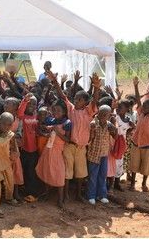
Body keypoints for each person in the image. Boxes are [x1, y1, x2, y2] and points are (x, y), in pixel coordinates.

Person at [49, 71, 100, 202]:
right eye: (76, 98)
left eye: (80, 99)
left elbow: (94, 101)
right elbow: (62, 95)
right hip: (69, 146)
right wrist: (55, 81)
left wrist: (97, 88)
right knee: (67, 172)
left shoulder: (88, 112)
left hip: (81, 147)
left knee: (81, 173)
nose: (76, 101)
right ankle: (65, 195)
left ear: (85, 102)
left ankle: (78, 195)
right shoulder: (71, 109)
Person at [35, 100, 71, 208]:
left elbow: (67, 139)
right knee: (46, 170)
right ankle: (47, 193)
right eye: (54, 110)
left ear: (64, 111)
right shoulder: (51, 120)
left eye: (59, 110)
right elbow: (41, 124)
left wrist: (57, 131)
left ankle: (60, 199)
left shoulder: (67, 123)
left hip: (58, 151)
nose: (56, 112)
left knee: (59, 173)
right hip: (48, 150)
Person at [87, 105, 117, 205]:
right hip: (94, 154)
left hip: (104, 154)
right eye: (102, 114)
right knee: (93, 176)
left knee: (102, 176)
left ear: (109, 116)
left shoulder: (109, 125)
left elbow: (115, 136)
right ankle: (91, 196)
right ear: (98, 114)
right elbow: (89, 139)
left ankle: (102, 195)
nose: (103, 116)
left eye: (106, 115)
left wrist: (114, 128)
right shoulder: (93, 124)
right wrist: (92, 131)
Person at [17, 93, 40, 202]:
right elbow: (20, 111)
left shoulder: (36, 116)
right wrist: (24, 101)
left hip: (34, 150)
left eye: (34, 104)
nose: (31, 106)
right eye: (29, 104)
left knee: (31, 172)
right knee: (24, 170)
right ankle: (24, 190)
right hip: (24, 149)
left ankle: (32, 193)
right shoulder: (22, 116)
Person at [4, 97, 24, 201]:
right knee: (4, 173)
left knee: (15, 172)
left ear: (16, 108)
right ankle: (7, 195)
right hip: (2, 152)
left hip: (14, 151)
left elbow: (19, 135)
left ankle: (15, 193)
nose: (5, 105)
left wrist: (9, 135)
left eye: (9, 103)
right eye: (5, 103)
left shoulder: (18, 121)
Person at [113, 99, 135, 191]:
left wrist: (132, 127)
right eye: (118, 107)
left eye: (120, 107)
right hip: (114, 142)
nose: (118, 109)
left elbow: (129, 132)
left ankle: (116, 183)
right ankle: (110, 183)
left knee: (119, 163)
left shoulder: (128, 120)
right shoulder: (116, 118)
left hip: (122, 144)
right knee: (113, 162)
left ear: (127, 109)